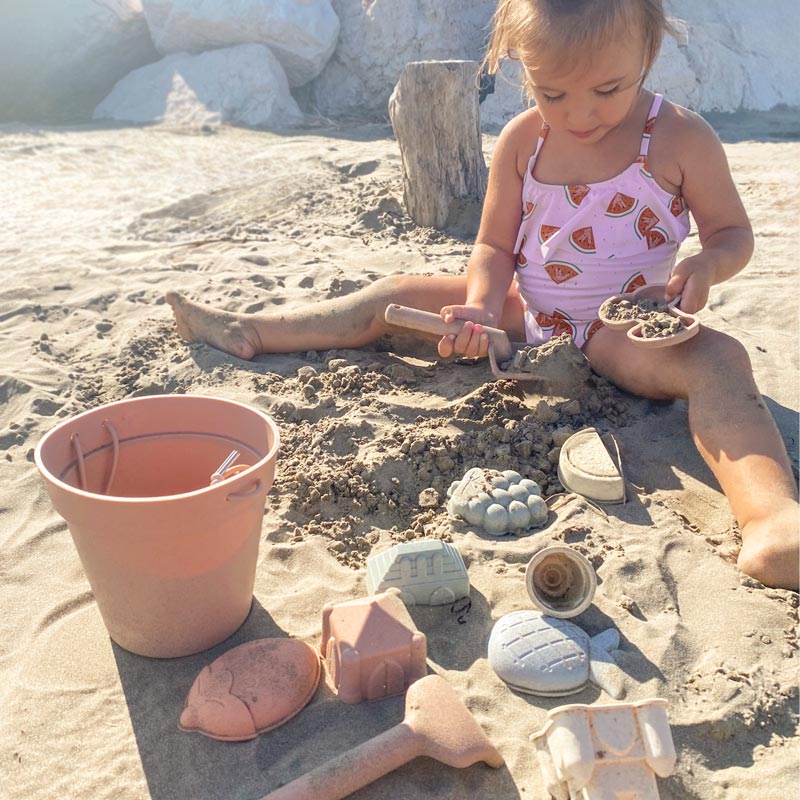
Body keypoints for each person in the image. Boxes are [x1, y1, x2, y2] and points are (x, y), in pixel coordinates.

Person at [166, 0, 799, 590]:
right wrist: (480, 303)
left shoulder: (679, 139)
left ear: (647, 54)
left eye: (607, 90)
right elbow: (495, 247)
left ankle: (770, 519)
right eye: (553, 93)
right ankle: (251, 328)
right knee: (391, 295)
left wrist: (707, 264)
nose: (579, 115)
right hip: (527, 311)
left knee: (720, 361)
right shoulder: (525, 141)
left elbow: (732, 233)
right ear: (525, 71)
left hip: (623, 330)